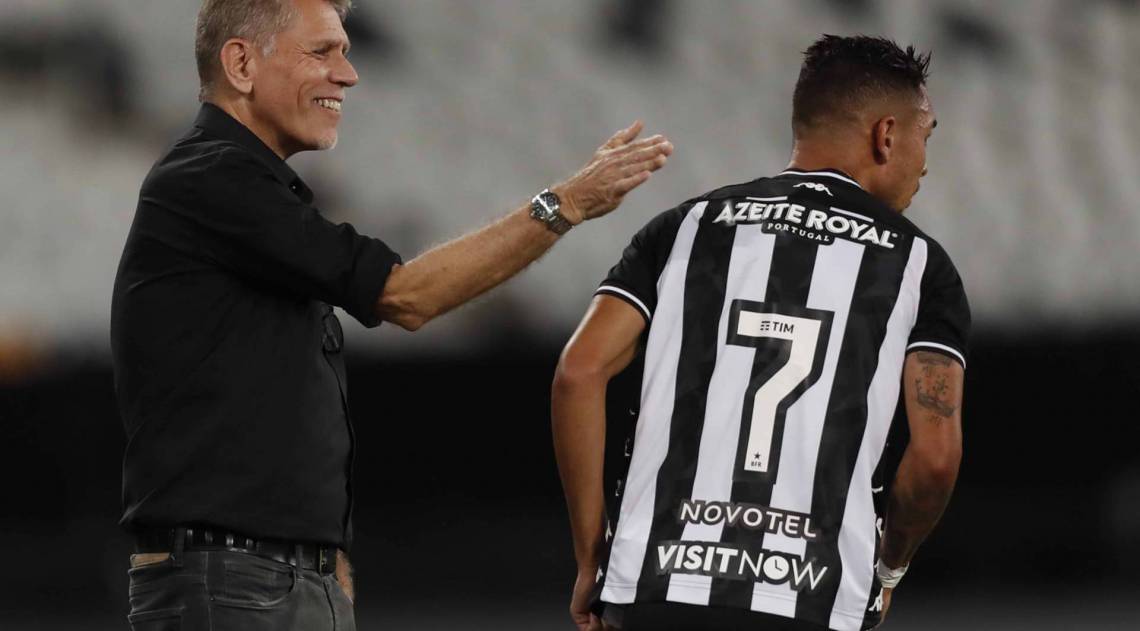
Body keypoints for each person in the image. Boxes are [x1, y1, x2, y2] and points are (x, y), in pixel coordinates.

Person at [109, 0, 673, 629]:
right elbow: (405, 296)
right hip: (231, 586)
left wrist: (324, 563)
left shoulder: (239, 191)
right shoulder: (208, 179)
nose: (347, 74)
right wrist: (563, 204)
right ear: (241, 63)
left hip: (268, 580)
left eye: (345, 52)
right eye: (322, 51)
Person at [552, 35, 969, 631]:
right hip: (813, 596)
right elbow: (935, 458)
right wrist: (887, 570)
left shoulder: (685, 227)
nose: (925, 162)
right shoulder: (923, 266)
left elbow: (578, 372)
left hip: (656, 583)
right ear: (886, 135)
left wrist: (594, 554)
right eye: (926, 136)